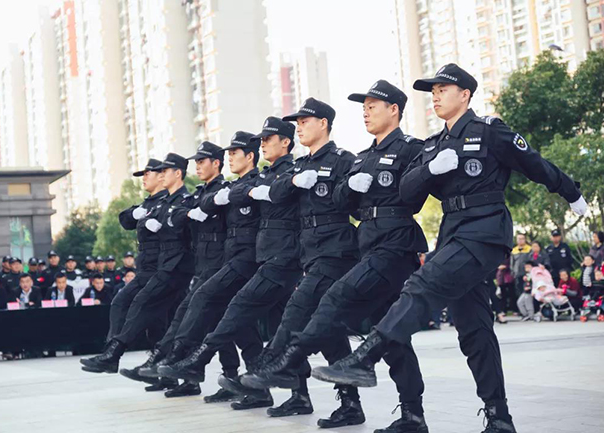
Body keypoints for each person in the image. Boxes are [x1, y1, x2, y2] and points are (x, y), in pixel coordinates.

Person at [308, 63, 587, 433]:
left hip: (486, 231)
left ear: (465, 94)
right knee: (474, 330)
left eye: (443, 89)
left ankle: (365, 358)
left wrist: (571, 192)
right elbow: (407, 191)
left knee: (421, 284)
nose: (436, 96)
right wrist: (431, 170)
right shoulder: (434, 145)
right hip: (454, 232)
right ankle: (499, 418)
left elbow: (533, 163)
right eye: (433, 91)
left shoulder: (489, 130)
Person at [242, 84, 430, 429]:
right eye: (364, 107)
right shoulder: (361, 157)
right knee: (390, 336)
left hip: (387, 246)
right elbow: (344, 202)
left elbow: (414, 193)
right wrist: (347, 188)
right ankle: (409, 414)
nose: (366, 111)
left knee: (326, 305)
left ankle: (283, 361)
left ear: (394, 109)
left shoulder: (406, 148)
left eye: (373, 105)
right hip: (363, 246)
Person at [172, 98, 363, 420]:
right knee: (323, 328)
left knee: (268, 311)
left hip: (327, 253)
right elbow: (272, 192)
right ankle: (327, 399)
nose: (300, 126)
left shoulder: (343, 160)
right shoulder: (297, 168)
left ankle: (214, 360)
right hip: (304, 254)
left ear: (323, 124)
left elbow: (352, 202)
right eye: (297, 122)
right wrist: (282, 185)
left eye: (304, 121)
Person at [140, 116, 302, 406]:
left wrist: (241, 193)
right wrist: (243, 193)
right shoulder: (259, 178)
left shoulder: (288, 172)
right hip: (260, 258)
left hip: (270, 259)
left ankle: (187, 358)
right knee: (249, 322)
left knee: (234, 310)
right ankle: (270, 389)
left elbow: (271, 195)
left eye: (234, 153)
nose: (229, 158)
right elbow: (218, 200)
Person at [123, 133, 265, 403]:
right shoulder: (206, 193)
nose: (197, 166)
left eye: (202, 161)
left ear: (216, 163)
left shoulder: (233, 188)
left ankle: (180, 361)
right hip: (212, 264)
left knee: (232, 323)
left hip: (229, 264)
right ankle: (233, 379)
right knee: (227, 324)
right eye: (196, 162)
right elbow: (180, 214)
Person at [80, 154, 194, 377]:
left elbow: (179, 232)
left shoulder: (174, 200)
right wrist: (135, 213)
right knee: (160, 323)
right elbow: (125, 219)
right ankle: (163, 373)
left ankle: (115, 353)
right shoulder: (152, 203)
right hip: (154, 268)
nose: (144, 178)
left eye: (149, 173)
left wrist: (158, 224)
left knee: (147, 311)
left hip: (164, 269)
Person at [510, 233, 531, 301]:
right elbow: (512, 263)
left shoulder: (529, 249)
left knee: (527, 290)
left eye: (522, 239)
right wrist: (512, 272)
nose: (520, 240)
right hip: (517, 274)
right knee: (518, 290)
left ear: (525, 239)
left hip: (526, 274)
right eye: (519, 239)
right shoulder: (514, 250)